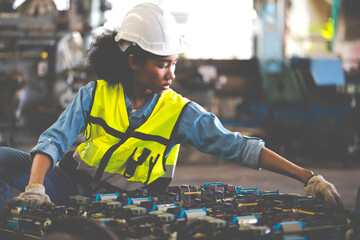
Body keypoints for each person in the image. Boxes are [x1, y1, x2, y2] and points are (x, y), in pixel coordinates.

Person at [0, 2, 343, 221]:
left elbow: (239, 146)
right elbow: (53, 141)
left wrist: (307, 177)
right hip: (72, 182)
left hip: (131, 203)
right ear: (134, 62)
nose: (172, 74)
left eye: (174, 63)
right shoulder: (94, 95)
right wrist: (36, 187)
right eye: (163, 65)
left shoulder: (181, 113)